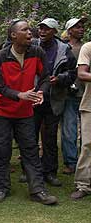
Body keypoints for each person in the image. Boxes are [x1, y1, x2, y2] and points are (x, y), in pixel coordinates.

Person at [0, 19, 57, 205]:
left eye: (30, 29)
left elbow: (45, 77)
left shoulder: (37, 52)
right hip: (3, 111)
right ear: (13, 35)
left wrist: (40, 93)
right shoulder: (1, 56)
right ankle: (1, 187)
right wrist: (20, 94)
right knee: (2, 150)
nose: (30, 32)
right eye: (25, 30)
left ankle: (37, 190)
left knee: (30, 151)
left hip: (26, 112)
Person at [34, 18, 76, 186]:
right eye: (41, 28)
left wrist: (59, 78)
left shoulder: (64, 49)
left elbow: (73, 73)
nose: (43, 32)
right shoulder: (32, 46)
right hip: (34, 97)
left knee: (50, 138)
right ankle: (30, 170)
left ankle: (50, 172)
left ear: (55, 31)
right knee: (30, 136)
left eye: (47, 29)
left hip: (53, 98)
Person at [60, 17, 87, 175]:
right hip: (69, 94)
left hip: (86, 94)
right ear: (69, 31)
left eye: (82, 26)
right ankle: (71, 162)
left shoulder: (87, 47)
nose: (81, 29)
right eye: (77, 27)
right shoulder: (63, 48)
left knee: (86, 130)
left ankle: (85, 161)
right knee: (68, 130)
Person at [70, 41, 91, 199]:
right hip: (90, 104)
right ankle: (83, 184)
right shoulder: (88, 47)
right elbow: (82, 74)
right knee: (87, 145)